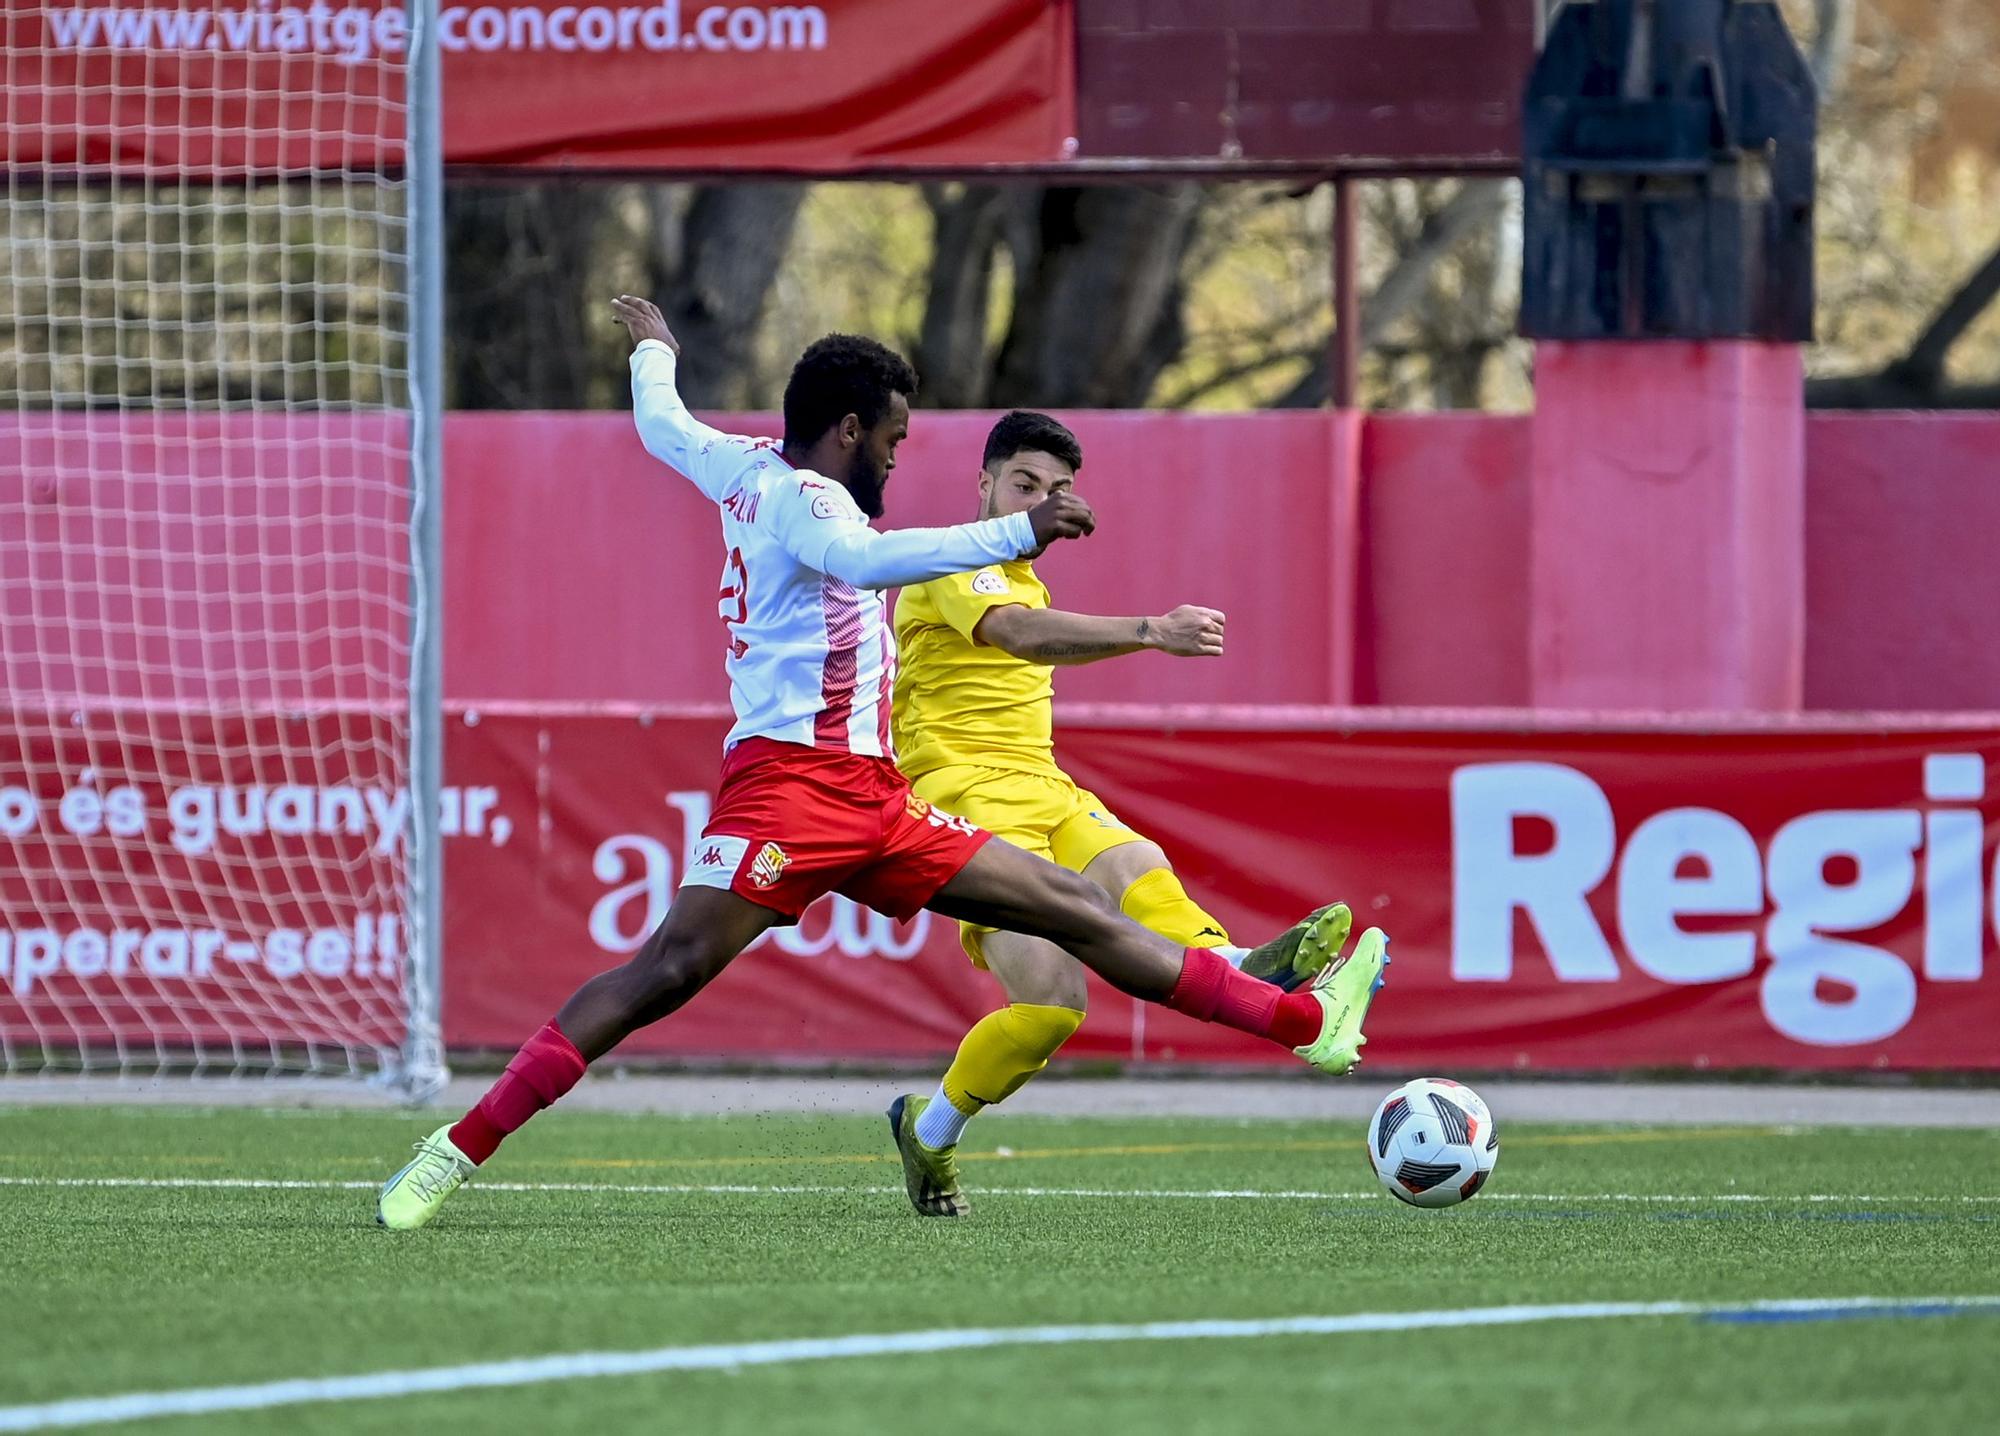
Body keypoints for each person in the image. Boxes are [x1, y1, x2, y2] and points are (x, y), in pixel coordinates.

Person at [374, 297, 1387, 1231]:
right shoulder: (814, 504)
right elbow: (865, 561)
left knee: (1079, 909)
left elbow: (661, 425)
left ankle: (1302, 1021)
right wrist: (1017, 528)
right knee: (663, 972)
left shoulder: (739, 465)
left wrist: (654, 354)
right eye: (894, 440)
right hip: (785, 792)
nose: (898, 461)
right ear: (850, 429)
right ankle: (452, 1149)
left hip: (879, 797)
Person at [883, 410, 1375, 1217]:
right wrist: (1152, 630)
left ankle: (1242, 961)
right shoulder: (952, 556)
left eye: (1057, 490)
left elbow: (1030, 624)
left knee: (1135, 861)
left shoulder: (1024, 575)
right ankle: (929, 1134)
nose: (1042, 502)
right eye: (1025, 484)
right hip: (963, 801)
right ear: (984, 483)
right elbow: (1018, 635)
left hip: (1043, 785)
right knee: (1052, 1007)